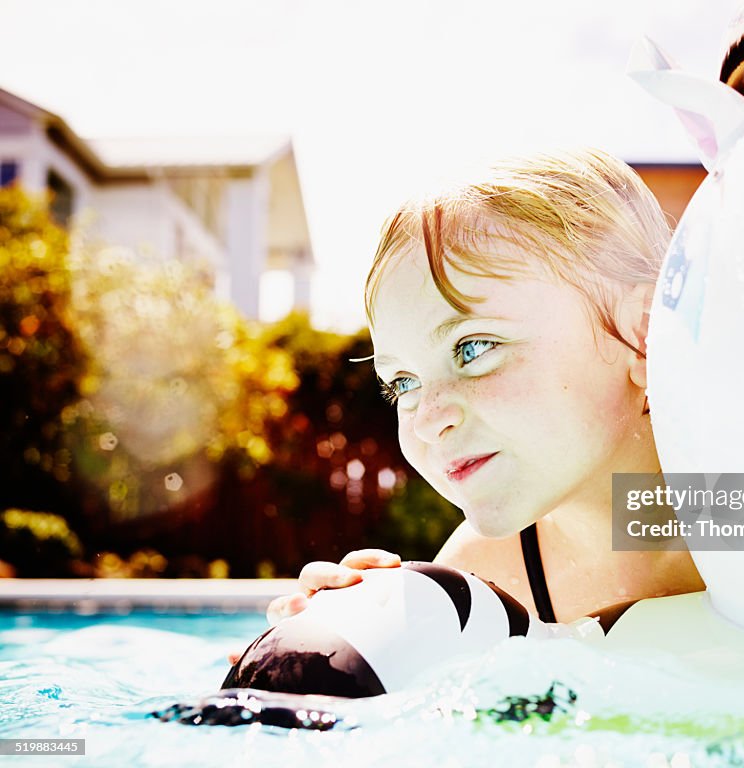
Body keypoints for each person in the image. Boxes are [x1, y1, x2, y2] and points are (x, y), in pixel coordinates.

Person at [264, 148, 705, 635]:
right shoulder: (488, 575)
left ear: (644, 337)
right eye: (402, 383)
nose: (429, 419)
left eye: (473, 348)